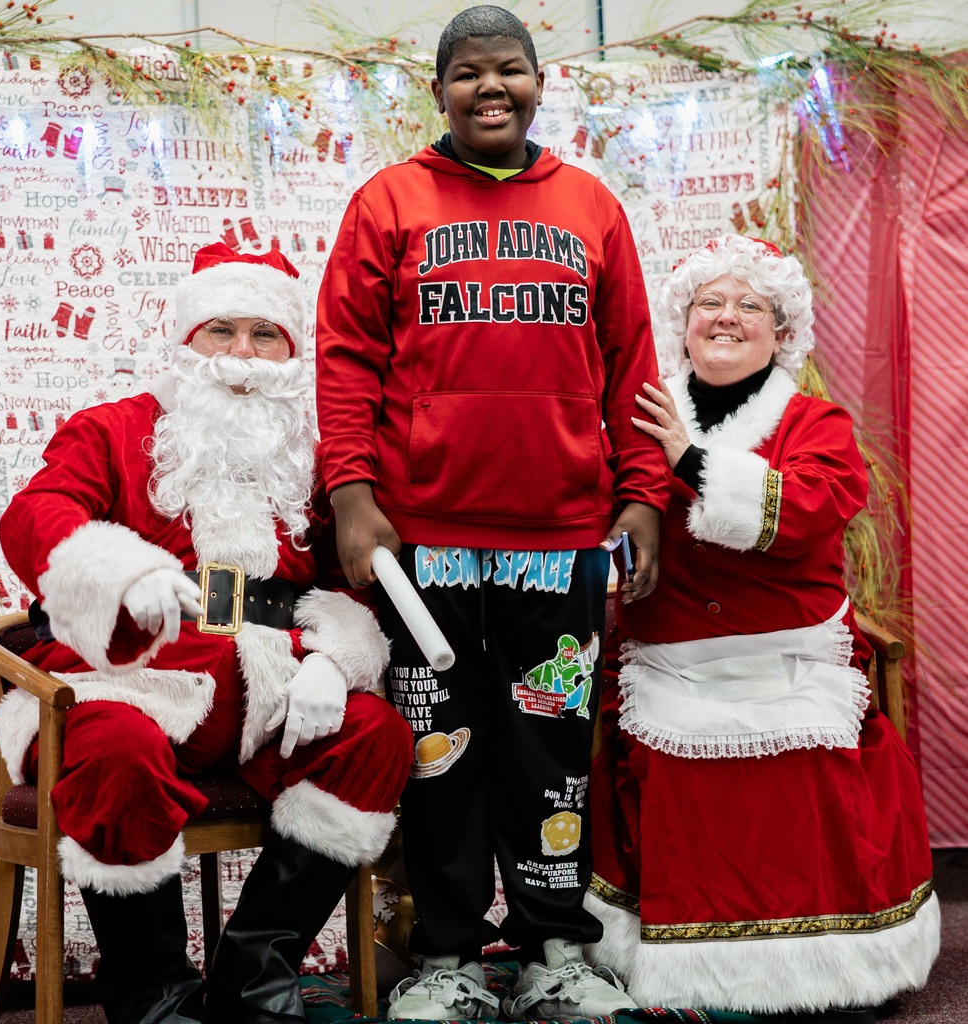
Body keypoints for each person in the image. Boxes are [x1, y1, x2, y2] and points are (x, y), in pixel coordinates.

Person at [315, 5, 670, 1020]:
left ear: (537, 84)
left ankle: (557, 949)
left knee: (550, 749)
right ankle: (447, 956)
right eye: (468, 73)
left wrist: (643, 492)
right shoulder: (388, 201)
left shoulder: (593, 207)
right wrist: (351, 492)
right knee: (440, 753)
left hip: (559, 541)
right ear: (438, 92)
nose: (490, 88)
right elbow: (344, 358)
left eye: (508, 70)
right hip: (421, 543)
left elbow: (629, 364)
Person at [0, 242, 414, 1024]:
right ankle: (155, 994)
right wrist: (123, 571)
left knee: (375, 736)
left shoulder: (310, 459)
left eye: (265, 335)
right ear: (185, 342)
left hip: (264, 693)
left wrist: (336, 662)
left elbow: (337, 587)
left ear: (292, 352)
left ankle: (256, 971)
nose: (241, 356)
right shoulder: (114, 430)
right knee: (118, 753)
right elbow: (34, 516)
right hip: (127, 685)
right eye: (221, 331)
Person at [584, 234, 940, 1020]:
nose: (727, 316)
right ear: (682, 324)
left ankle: (829, 973)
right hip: (672, 661)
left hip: (791, 658)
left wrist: (689, 461)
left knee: (816, 768)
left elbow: (807, 510)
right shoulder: (634, 412)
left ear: (783, 335)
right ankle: (680, 973)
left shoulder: (820, 422)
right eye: (710, 301)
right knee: (670, 772)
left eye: (751, 305)